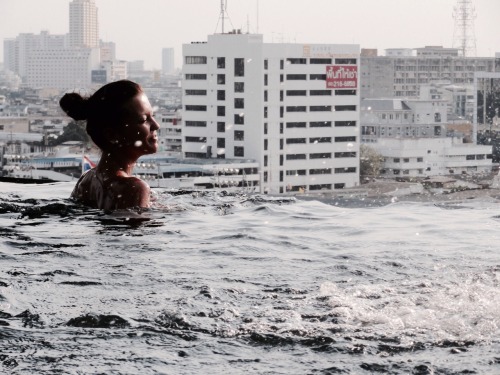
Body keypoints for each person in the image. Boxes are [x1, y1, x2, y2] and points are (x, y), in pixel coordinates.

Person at [59, 80, 160, 210]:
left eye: (153, 116)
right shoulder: (133, 188)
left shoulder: (88, 179)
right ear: (112, 135)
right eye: (144, 120)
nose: (156, 125)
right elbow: (133, 230)